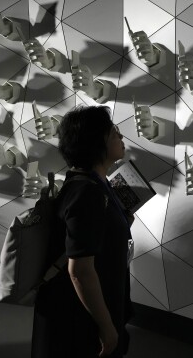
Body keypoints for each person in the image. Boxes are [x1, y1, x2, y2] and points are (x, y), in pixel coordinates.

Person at [31, 105, 134, 357]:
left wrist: (121, 223)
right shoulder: (88, 193)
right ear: (97, 143)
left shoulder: (86, 182)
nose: (121, 138)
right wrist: (107, 327)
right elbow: (80, 271)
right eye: (114, 133)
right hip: (79, 318)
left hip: (80, 308)